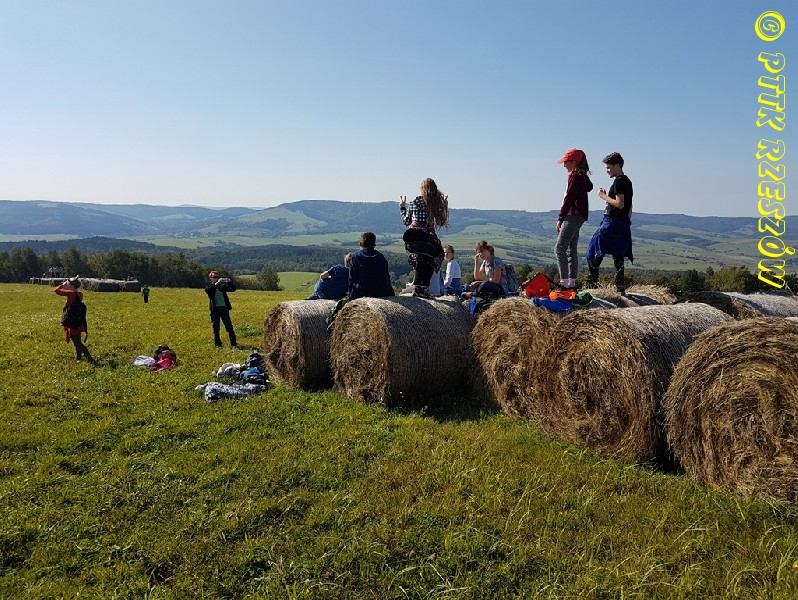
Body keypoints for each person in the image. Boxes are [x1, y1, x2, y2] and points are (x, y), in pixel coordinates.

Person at [586, 152, 634, 294]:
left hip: (612, 221)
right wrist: (626, 221)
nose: (607, 170)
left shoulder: (619, 181)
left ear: (617, 166)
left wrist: (603, 196)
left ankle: (592, 283)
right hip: (623, 222)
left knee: (593, 249)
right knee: (618, 253)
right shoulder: (627, 181)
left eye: (608, 167)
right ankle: (620, 287)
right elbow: (629, 206)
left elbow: (619, 204)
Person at [400, 178, 449, 299]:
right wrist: (444, 205)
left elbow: (407, 221)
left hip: (414, 237)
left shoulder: (416, 201)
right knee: (430, 261)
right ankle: (424, 288)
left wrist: (402, 208)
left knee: (420, 262)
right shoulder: (435, 203)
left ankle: (417, 287)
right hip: (428, 238)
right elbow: (441, 222)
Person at [554, 148, 593, 290]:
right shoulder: (581, 176)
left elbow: (569, 198)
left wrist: (560, 218)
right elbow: (590, 187)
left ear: (574, 162)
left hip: (573, 215)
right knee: (571, 249)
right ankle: (571, 283)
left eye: (566, 162)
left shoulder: (575, 176)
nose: (564, 165)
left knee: (559, 248)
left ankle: (564, 285)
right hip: (579, 216)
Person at [54, 276, 94, 363]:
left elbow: (56, 290)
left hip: (71, 321)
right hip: (78, 321)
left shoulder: (71, 294)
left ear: (72, 286)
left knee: (77, 342)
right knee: (77, 340)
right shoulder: (80, 294)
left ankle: (89, 358)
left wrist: (62, 285)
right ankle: (78, 357)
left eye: (68, 284)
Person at [347, 232, 395, 300]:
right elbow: (387, 277)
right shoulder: (381, 257)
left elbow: (352, 278)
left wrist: (350, 297)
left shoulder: (356, 257)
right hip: (381, 292)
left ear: (361, 244)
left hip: (362, 292)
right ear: (374, 245)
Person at [205, 271, 237, 347]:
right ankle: (218, 344)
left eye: (217, 277)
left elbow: (233, 289)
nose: (216, 278)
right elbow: (209, 291)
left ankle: (233, 344)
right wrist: (217, 283)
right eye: (214, 277)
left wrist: (229, 282)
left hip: (224, 309)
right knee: (216, 328)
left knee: (229, 327)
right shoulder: (209, 286)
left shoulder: (222, 286)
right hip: (215, 310)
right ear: (210, 278)